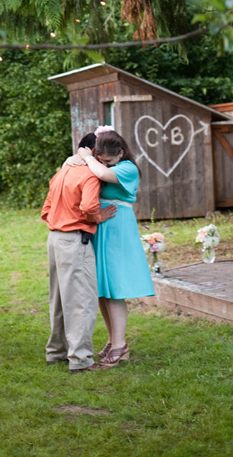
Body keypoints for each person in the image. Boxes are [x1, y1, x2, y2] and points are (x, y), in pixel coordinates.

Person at [70, 128, 154, 366]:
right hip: (103, 227)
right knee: (102, 289)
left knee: (115, 288)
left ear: (120, 153)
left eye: (107, 160)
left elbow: (103, 175)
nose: (102, 163)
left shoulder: (128, 169)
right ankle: (113, 339)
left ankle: (120, 345)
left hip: (117, 228)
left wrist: (87, 157)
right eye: (100, 158)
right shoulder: (103, 164)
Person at [41, 135, 117, 373]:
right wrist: (97, 217)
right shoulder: (89, 175)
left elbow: (46, 209)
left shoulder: (63, 171)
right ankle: (81, 359)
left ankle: (56, 352)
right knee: (81, 301)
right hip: (75, 241)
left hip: (54, 239)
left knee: (60, 299)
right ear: (94, 151)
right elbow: (89, 207)